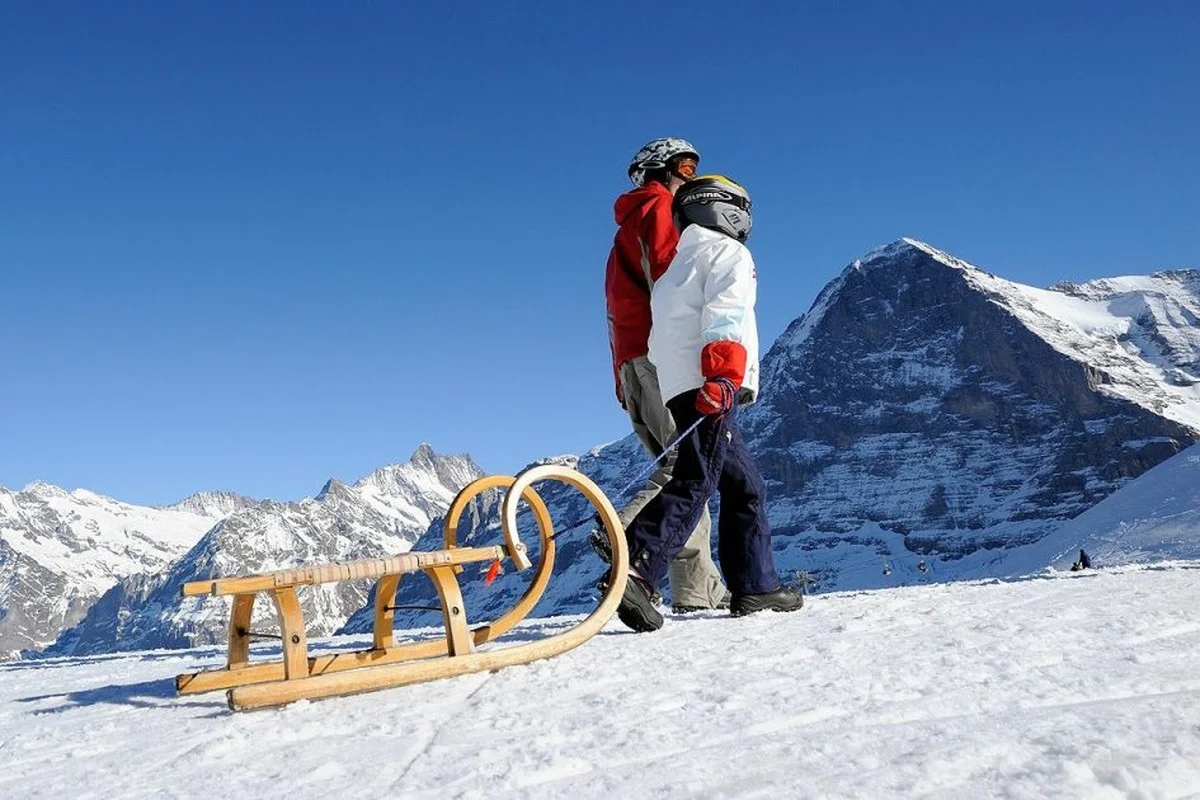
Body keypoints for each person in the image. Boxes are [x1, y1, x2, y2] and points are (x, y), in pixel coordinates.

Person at [616, 174, 804, 632]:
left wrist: (685, 379)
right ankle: (636, 569)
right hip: (711, 383)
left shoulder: (674, 267)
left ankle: (756, 585)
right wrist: (722, 374)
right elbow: (728, 312)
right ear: (723, 208)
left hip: (680, 386)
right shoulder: (728, 253)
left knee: (745, 485)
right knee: (696, 478)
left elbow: (659, 336)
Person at [602, 137, 730, 614]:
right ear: (662, 172)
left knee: (682, 471)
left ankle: (697, 591)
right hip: (660, 359)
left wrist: (623, 376)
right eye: (687, 168)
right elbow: (669, 279)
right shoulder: (657, 208)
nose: (692, 180)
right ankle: (622, 535)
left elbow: (617, 311)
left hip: (635, 363)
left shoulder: (621, 235)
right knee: (686, 469)